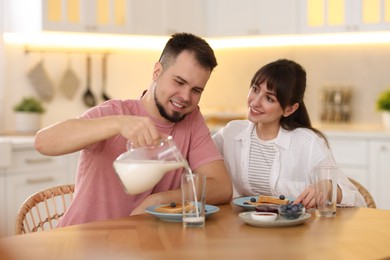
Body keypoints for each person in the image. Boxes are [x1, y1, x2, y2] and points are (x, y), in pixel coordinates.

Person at [35, 32, 232, 227]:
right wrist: (118, 124)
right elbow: (43, 142)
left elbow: (222, 187)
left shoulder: (191, 120)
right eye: (179, 82)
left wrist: (158, 200)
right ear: (157, 72)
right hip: (85, 241)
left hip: (142, 245)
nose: (186, 96)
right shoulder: (115, 113)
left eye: (196, 90)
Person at [212, 59, 366, 208]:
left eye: (269, 98)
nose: (255, 102)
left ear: (289, 109)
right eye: (255, 89)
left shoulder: (308, 143)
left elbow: (359, 201)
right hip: (242, 229)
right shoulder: (231, 133)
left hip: (298, 232)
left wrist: (329, 187)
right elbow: (195, 160)